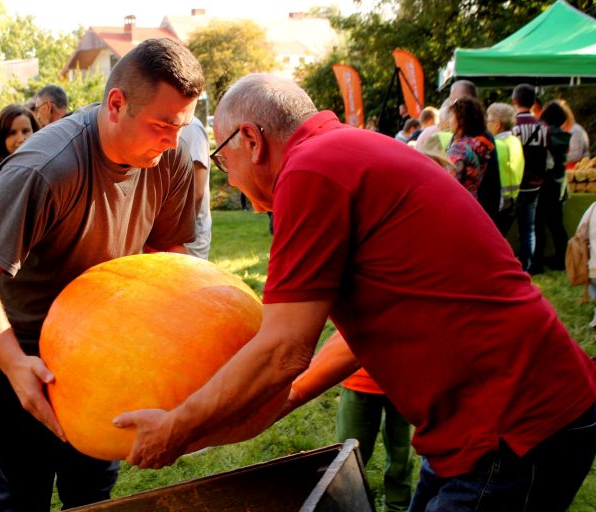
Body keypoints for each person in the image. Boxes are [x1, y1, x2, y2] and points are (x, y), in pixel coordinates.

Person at [115, 74, 596, 512]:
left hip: (512, 426)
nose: (228, 176)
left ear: (252, 140)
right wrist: (275, 404)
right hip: (486, 426)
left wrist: (177, 427)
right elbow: (352, 338)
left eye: (222, 158)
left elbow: (284, 347)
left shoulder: (310, 171)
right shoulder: (344, 151)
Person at [0, 38, 203, 511]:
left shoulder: (173, 157)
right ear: (116, 104)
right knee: (23, 495)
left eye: (181, 126)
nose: (172, 141)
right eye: (162, 125)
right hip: (14, 344)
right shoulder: (46, 168)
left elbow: (168, 253)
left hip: (100, 344)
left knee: (92, 493)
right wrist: (16, 366)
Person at [293, 332, 413, 511]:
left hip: (405, 377)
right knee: (347, 456)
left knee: (401, 453)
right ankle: (344, 505)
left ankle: (398, 507)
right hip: (358, 379)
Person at [530, 101, 571, 274]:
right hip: (557, 184)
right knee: (556, 225)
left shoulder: (542, 134)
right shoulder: (564, 136)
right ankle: (562, 259)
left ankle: (537, 261)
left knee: (538, 224)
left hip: (541, 183)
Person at [512, 83, 548, 272]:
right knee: (529, 229)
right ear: (534, 102)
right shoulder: (543, 127)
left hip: (514, 184)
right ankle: (527, 267)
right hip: (535, 183)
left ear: (514, 101)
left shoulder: (512, 126)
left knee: (508, 227)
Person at [486, 102, 524, 236]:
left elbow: (497, 177)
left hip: (500, 204)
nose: (486, 124)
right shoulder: (515, 141)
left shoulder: (497, 146)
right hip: (513, 199)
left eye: (488, 120)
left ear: (497, 124)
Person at [0, 104, 39, 193]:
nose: (21, 139)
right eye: (12, 133)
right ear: (1, 138)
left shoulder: (40, 163)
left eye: (25, 131)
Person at [446, 97, 494, 199]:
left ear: (461, 119)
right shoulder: (479, 144)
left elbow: (449, 182)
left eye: (450, 116)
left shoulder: (460, 148)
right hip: (473, 200)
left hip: (458, 202)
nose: (448, 121)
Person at [180, 115, 212, 259]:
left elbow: (197, 193)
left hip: (189, 240)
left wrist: (179, 238)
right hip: (170, 237)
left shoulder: (191, 127)